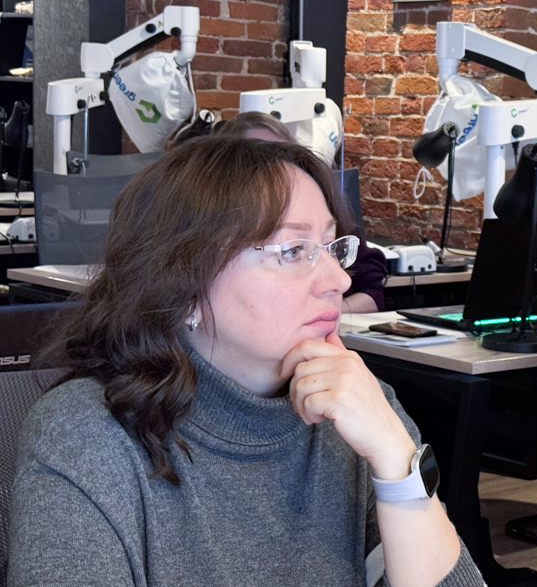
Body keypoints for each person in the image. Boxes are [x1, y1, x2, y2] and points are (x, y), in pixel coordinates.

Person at [7, 137, 483, 587]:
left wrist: (397, 460)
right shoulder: (90, 435)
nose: (339, 280)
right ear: (186, 287)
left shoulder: (358, 408)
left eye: (333, 247)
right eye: (293, 251)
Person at [170, 111, 388, 313]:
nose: (340, 281)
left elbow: (372, 289)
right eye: (292, 251)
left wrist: (327, 315)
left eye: (287, 158)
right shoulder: (214, 227)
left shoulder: (325, 216)